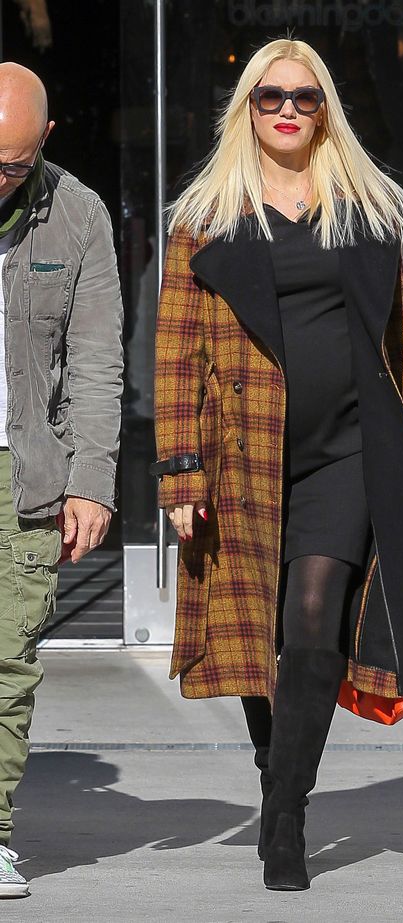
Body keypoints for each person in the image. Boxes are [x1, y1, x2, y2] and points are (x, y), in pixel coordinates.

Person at [153, 38, 403, 892]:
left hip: (347, 448)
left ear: (324, 109)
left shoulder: (364, 210)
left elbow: (400, 333)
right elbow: (176, 357)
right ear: (247, 110)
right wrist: (180, 471)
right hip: (244, 454)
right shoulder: (204, 218)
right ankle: (277, 769)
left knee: (311, 616)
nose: (286, 110)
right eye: (270, 97)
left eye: (303, 97)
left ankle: (286, 814)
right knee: (260, 637)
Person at [0, 63, 123, 897]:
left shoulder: (77, 215)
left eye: (11, 165)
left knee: (7, 659)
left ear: (44, 141)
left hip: (23, 473)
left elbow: (96, 361)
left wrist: (92, 479)